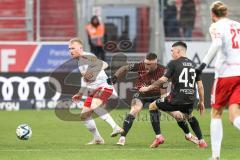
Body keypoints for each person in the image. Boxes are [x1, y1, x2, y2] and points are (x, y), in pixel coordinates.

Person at [107, 53, 199, 146]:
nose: (146, 66)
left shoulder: (163, 70)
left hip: (157, 95)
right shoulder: (140, 65)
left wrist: (162, 102)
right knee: (134, 110)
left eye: (149, 64)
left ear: (155, 63)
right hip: (141, 94)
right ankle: (122, 138)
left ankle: (189, 135)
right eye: (145, 63)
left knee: (178, 115)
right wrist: (115, 77)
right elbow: (125, 68)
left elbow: (164, 89)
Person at [139, 41, 208, 148]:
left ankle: (158, 137)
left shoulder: (173, 63)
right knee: (188, 116)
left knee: (152, 106)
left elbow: (163, 80)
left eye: (172, 51)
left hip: (175, 99)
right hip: (190, 99)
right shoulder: (194, 65)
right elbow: (200, 86)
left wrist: (148, 88)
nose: (171, 53)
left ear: (178, 51)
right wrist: (202, 102)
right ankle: (201, 141)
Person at [196, 1, 240, 159]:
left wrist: (202, 65)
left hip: (226, 74)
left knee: (216, 112)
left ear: (212, 14)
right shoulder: (237, 25)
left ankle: (215, 156)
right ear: (226, 13)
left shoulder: (216, 26)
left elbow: (217, 44)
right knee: (234, 115)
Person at [69, 37, 123, 144]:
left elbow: (104, 64)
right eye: (69, 49)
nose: (70, 51)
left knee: (94, 106)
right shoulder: (80, 62)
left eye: (73, 48)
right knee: (84, 115)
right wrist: (80, 93)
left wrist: (93, 72)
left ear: (80, 48)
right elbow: (86, 80)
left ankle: (116, 127)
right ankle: (97, 138)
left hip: (104, 86)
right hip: (94, 89)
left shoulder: (88, 57)